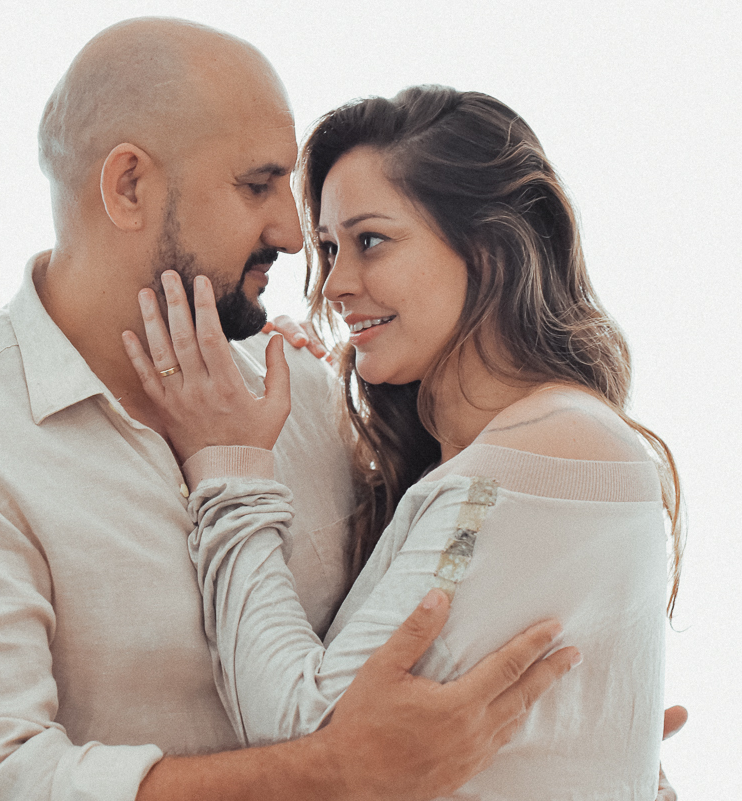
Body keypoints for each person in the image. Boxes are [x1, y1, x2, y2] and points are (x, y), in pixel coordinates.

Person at [0, 19, 586, 801]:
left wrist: (571, 754)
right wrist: (339, 774)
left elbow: (431, 649)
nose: (294, 236)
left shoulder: (308, 391)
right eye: (257, 186)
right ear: (128, 187)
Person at [122, 85, 686, 799]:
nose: (334, 284)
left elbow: (310, 734)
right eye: (329, 248)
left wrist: (228, 466)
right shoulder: (512, 450)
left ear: (491, 247)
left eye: (371, 241)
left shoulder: (548, 449)